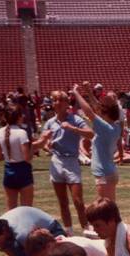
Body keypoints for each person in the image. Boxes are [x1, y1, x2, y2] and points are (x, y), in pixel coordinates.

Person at [38, 90, 93, 234]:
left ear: (67, 103)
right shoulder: (50, 122)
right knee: (63, 202)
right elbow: (43, 142)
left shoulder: (75, 119)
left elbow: (91, 134)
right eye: (54, 100)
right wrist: (46, 145)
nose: (57, 103)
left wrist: (73, 128)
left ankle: (86, 229)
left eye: (60, 100)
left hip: (71, 161)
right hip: (56, 161)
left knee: (78, 201)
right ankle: (69, 232)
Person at [71, 84, 121, 203]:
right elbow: (98, 109)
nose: (99, 110)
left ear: (105, 113)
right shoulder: (115, 126)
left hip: (104, 175)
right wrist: (89, 91)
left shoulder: (105, 128)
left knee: (105, 208)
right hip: (109, 172)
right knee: (109, 207)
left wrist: (76, 93)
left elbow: (89, 112)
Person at [0, 104, 34, 210]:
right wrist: (35, 146)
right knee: (27, 209)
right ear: (19, 117)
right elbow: (27, 157)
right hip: (23, 171)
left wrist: (9, 153)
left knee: (11, 209)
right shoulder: (21, 133)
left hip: (9, 170)